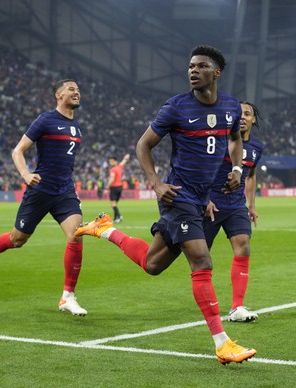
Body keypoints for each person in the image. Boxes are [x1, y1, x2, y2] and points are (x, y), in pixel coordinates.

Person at [75, 45, 256, 364]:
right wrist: (156, 183)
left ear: (216, 73)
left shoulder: (230, 107)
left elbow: (234, 139)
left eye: (200, 66)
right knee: (202, 261)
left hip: (201, 198)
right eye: (190, 66)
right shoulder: (175, 108)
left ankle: (105, 229)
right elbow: (143, 145)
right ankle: (222, 343)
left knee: (152, 264)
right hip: (177, 196)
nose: (193, 71)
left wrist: (237, 169)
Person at [0, 79, 88, 316]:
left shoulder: (76, 127)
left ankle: (68, 297)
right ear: (58, 94)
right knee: (17, 240)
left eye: (78, 89)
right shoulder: (45, 120)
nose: (76, 92)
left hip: (64, 190)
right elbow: (18, 150)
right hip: (40, 189)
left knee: (76, 235)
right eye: (71, 89)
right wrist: (25, 174)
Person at [203, 101, 264, 323]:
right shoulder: (218, 141)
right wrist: (205, 198)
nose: (243, 117)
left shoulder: (256, 149)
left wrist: (252, 205)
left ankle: (237, 307)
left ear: (253, 119)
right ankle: (208, 303)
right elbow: (203, 168)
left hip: (236, 205)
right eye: (239, 113)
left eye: (247, 114)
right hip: (211, 204)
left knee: (243, 245)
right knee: (200, 256)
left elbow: (250, 175)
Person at [108, 154, 130, 223]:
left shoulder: (113, 170)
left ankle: (119, 217)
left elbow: (112, 179)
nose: (110, 163)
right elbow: (123, 162)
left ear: (115, 161)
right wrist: (126, 158)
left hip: (114, 187)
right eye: (110, 161)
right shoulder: (119, 167)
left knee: (113, 204)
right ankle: (115, 218)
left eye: (112, 161)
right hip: (120, 187)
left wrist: (107, 187)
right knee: (115, 204)